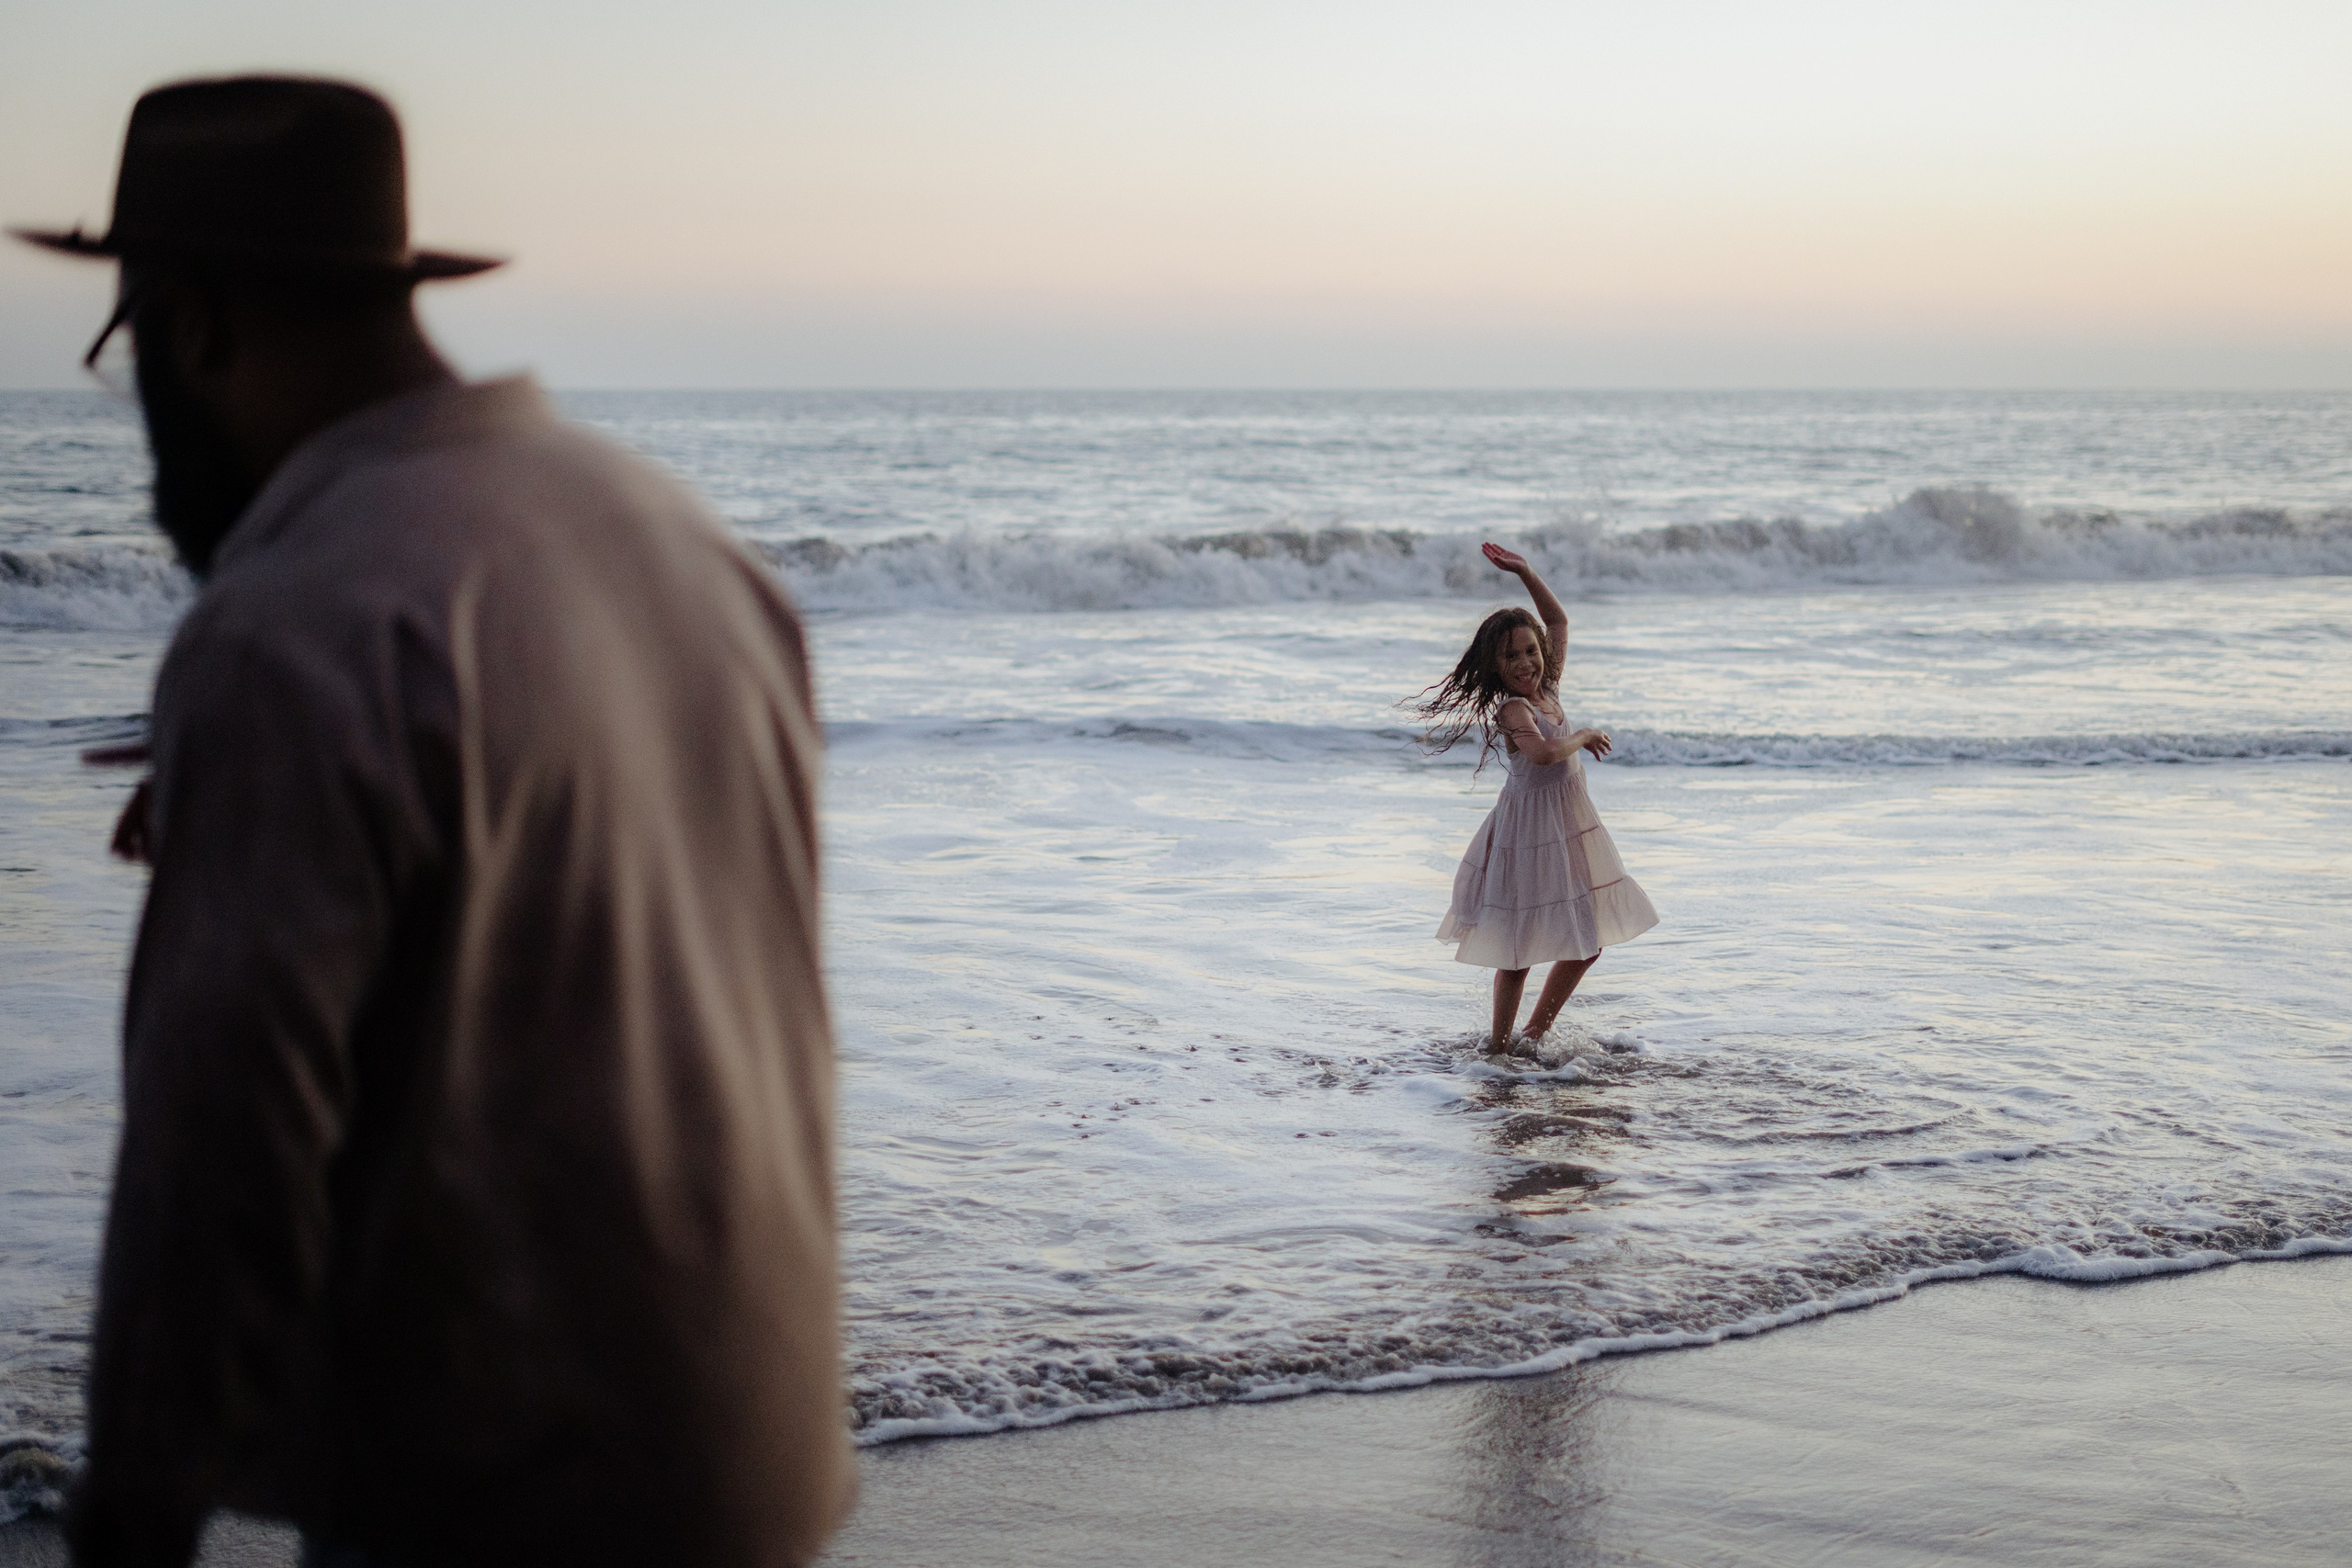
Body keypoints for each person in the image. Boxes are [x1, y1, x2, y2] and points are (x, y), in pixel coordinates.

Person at [14, 77, 855, 1567]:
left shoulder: (296, 626)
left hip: (507, 1508)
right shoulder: (669, 536)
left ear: (187, 323)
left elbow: (216, 1161)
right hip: (758, 1476)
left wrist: (125, 1524)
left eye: (125, 350)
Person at [1414, 543, 1659, 1050]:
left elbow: (1559, 620)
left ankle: (1533, 1034)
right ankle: (1499, 1048)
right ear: (1497, 667)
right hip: (1526, 832)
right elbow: (1546, 754)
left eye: (1530, 650)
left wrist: (1526, 571)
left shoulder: (1548, 684)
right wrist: (1585, 734)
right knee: (1518, 950)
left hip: (1566, 824)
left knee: (1587, 942)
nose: (1525, 662)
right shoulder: (1514, 709)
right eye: (1512, 656)